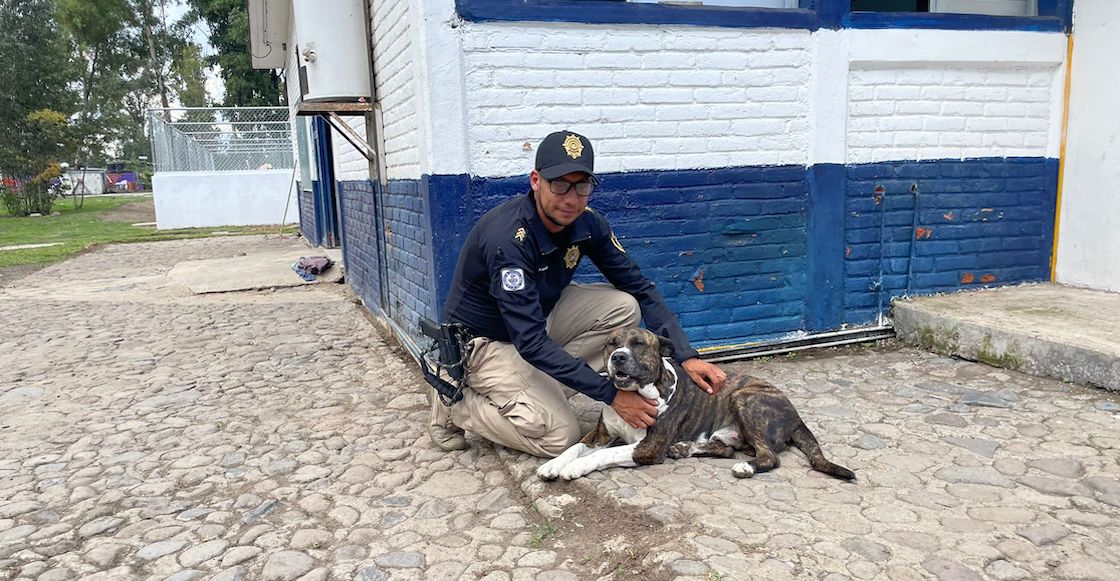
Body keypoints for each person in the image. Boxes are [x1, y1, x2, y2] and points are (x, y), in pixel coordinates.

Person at [430, 130, 726, 456]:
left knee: (624, 308)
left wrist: (687, 356)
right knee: (559, 438)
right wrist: (611, 396)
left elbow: (639, 287)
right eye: (560, 184)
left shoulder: (587, 223)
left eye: (582, 186)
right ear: (536, 181)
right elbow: (530, 341)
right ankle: (454, 400)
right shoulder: (509, 240)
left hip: (536, 319)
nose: (571, 199)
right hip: (485, 343)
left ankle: (535, 393)